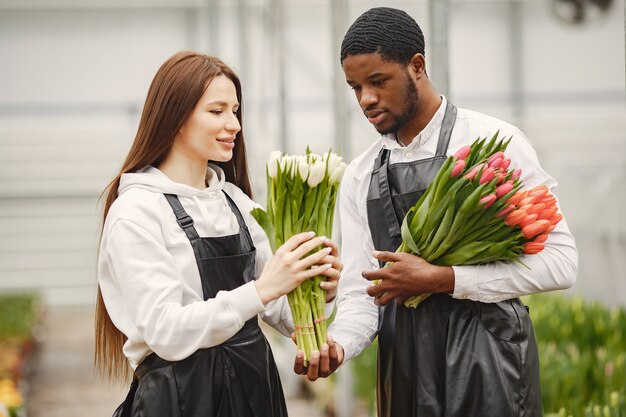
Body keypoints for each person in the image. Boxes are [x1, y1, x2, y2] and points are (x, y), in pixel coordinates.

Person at [294, 7, 578, 417]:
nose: (366, 99)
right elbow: (361, 294)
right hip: (404, 368)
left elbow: (561, 263)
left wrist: (445, 279)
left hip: (490, 360)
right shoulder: (359, 175)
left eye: (378, 81)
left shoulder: (494, 142)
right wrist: (337, 343)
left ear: (417, 67)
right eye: (355, 87)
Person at [95, 51, 342, 417]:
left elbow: (280, 314)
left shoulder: (236, 203)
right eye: (217, 111)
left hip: (256, 393)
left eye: (235, 110)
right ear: (175, 118)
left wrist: (318, 289)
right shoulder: (137, 211)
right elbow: (166, 331)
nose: (234, 124)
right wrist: (262, 289)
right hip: (182, 400)